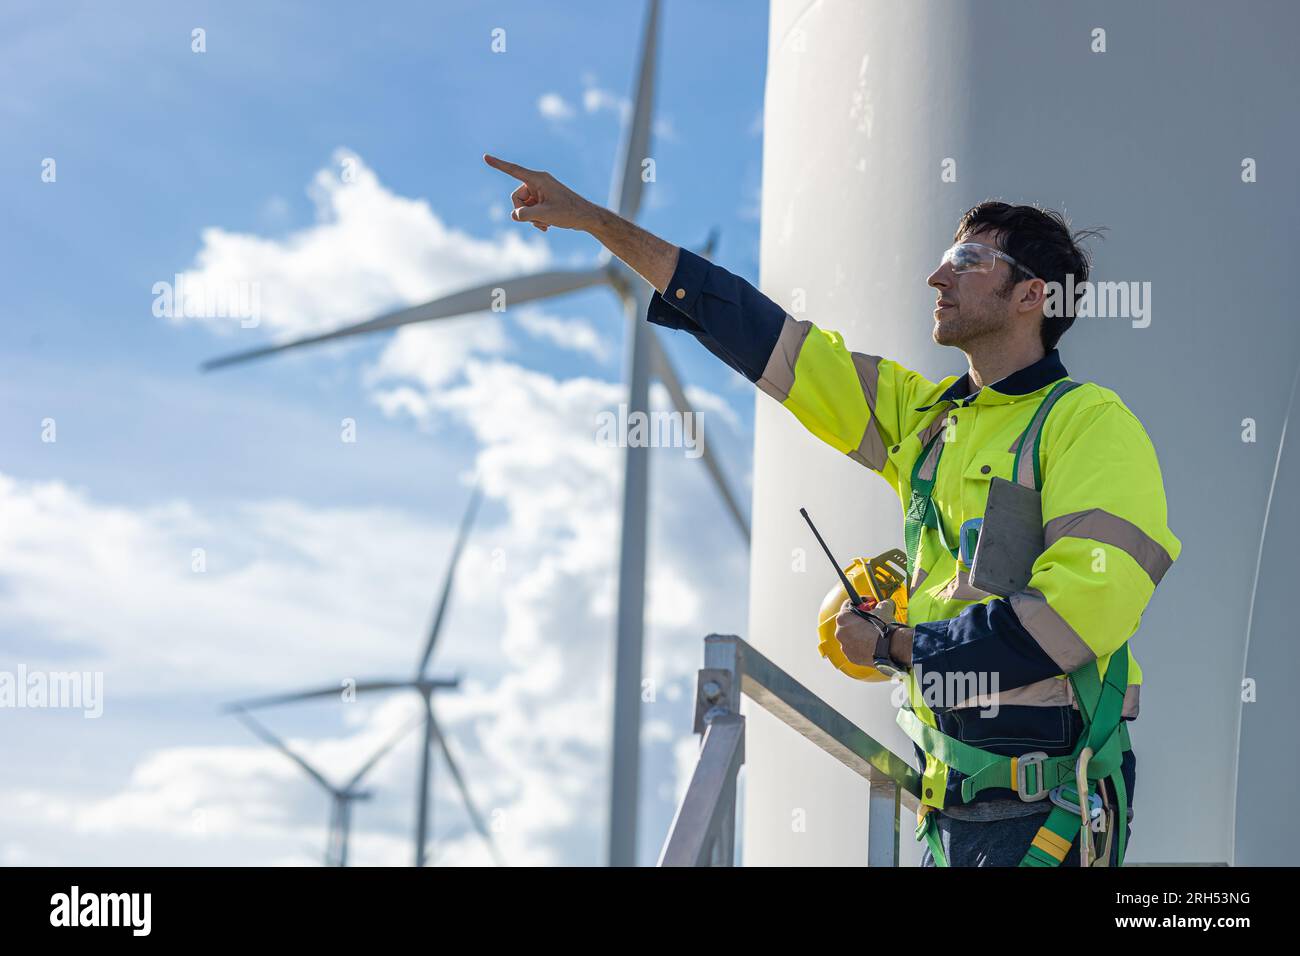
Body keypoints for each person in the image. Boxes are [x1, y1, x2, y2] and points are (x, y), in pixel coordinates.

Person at [483, 153, 1181, 867]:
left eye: (967, 261)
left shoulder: (1088, 423)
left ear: (1032, 295)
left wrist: (898, 646)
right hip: (950, 814)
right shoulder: (926, 419)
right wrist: (600, 224)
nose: (936, 277)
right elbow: (765, 337)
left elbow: (1077, 615)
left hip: (1047, 815)